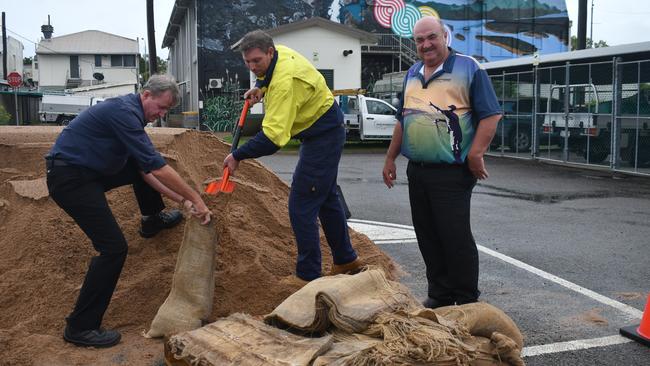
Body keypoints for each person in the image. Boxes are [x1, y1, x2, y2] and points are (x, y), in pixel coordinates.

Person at [45, 74, 212, 348]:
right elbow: (156, 165)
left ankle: (152, 220)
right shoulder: (123, 113)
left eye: (166, 111)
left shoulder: (131, 115)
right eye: (160, 107)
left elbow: (145, 171)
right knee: (113, 248)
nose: (160, 115)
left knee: (136, 167)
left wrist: (183, 202)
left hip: (91, 172)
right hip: (70, 179)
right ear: (146, 95)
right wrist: (195, 196)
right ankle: (80, 326)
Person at [223, 30, 362, 284]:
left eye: (257, 61)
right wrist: (260, 87)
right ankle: (346, 259)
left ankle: (308, 275)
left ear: (270, 52)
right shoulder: (280, 55)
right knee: (326, 197)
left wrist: (237, 155)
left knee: (301, 203)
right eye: (247, 62)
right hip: (321, 130)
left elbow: (273, 139)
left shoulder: (284, 84)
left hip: (324, 134)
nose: (253, 67)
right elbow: (269, 74)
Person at [382, 17, 502, 308]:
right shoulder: (412, 73)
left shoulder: (468, 68)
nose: (426, 45)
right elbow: (402, 119)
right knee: (428, 236)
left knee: (454, 236)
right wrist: (390, 157)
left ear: (444, 36)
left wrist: (475, 154)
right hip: (418, 171)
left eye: (431, 37)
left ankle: (466, 299)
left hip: (452, 172)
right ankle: (440, 294)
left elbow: (491, 115)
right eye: (420, 40)